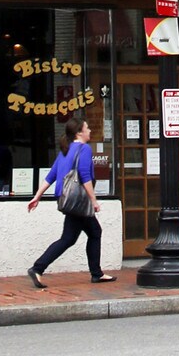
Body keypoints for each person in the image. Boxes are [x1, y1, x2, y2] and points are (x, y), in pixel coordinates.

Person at [26, 116, 115, 289]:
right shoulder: (84, 149)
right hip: (78, 200)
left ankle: (96, 273)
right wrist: (94, 200)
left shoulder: (65, 150)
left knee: (84, 234)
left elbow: (51, 175)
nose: (90, 131)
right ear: (79, 133)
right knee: (77, 236)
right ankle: (38, 268)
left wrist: (37, 196)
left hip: (65, 198)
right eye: (87, 128)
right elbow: (84, 175)